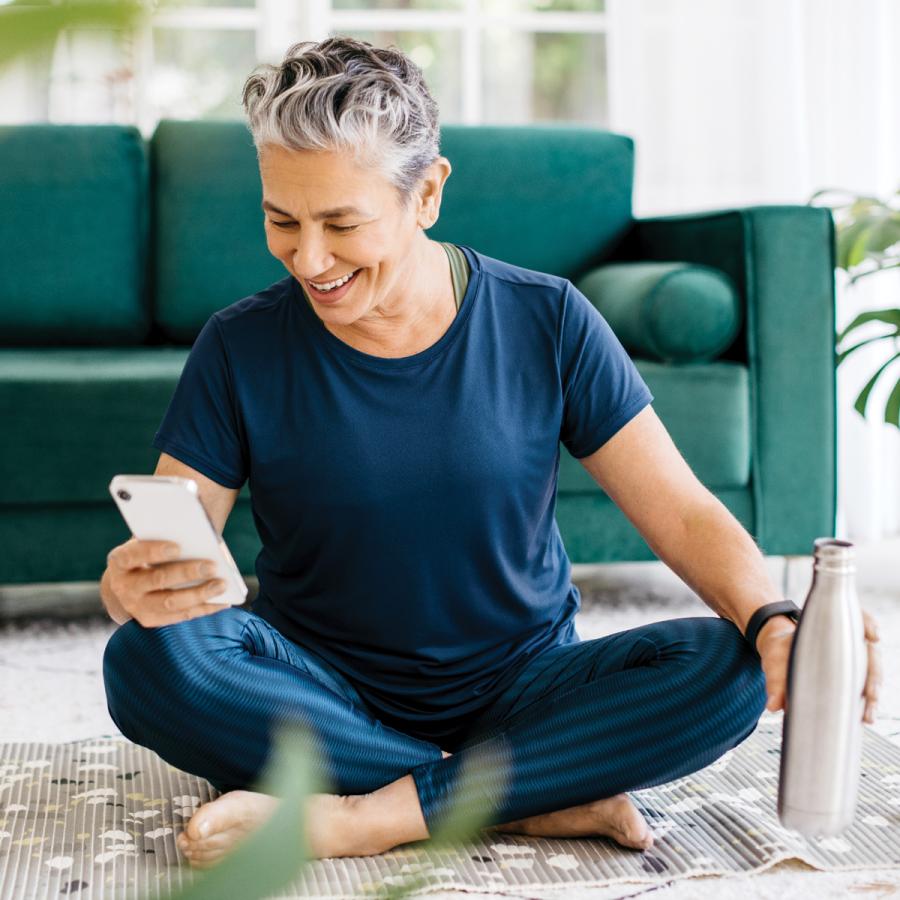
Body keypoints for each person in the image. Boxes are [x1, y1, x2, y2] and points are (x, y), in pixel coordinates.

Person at [100, 36, 883, 868]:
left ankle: (364, 816)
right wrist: (129, 587)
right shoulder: (240, 345)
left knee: (726, 668)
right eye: (281, 220)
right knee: (148, 659)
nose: (310, 258)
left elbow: (682, 510)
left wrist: (771, 619)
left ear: (427, 192)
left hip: (523, 694)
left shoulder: (547, 319)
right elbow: (176, 557)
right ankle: (516, 795)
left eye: (342, 223)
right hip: (320, 697)